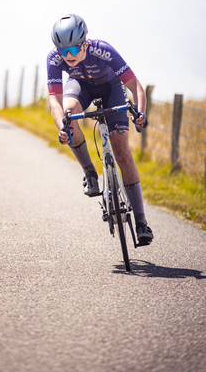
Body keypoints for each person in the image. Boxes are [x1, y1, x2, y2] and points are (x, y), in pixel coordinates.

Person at [47, 13, 153, 245]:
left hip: (111, 88)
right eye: (63, 51)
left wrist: (141, 113)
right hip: (81, 87)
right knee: (68, 116)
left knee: (122, 151)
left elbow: (135, 86)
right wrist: (61, 128)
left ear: (85, 44)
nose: (68, 57)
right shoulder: (55, 59)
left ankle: (141, 221)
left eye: (73, 50)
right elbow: (54, 100)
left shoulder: (103, 50)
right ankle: (90, 174)